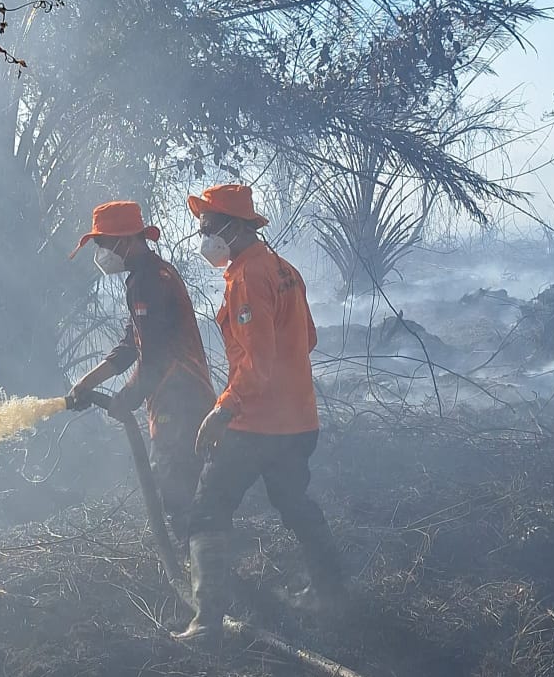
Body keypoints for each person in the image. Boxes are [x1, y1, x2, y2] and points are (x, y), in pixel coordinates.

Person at [173, 183, 345, 641]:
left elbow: (257, 365)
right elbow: (307, 339)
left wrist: (222, 409)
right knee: (294, 503)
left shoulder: (249, 277)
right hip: (297, 422)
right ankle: (332, 593)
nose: (203, 236)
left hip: (254, 426)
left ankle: (207, 621)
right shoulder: (284, 269)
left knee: (208, 510)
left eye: (208, 227)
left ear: (235, 227)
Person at [67, 201, 216, 543]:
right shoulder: (144, 277)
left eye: (103, 244)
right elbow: (131, 343)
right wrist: (86, 383)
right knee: (178, 487)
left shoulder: (149, 280)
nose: (101, 253)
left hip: (180, 399)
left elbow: (155, 357)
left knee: (176, 488)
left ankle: (199, 573)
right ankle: (195, 563)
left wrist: (127, 398)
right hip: (178, 395)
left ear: (124, 240)